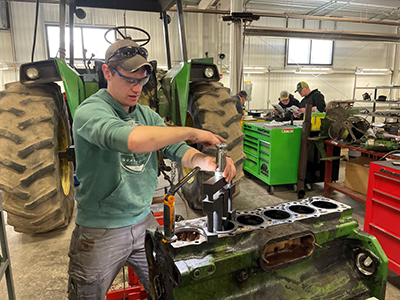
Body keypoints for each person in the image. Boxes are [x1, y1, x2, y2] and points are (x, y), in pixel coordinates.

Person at [67, 39, 236, 299]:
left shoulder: (147, 115)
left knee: (166, 288)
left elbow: (177, 149)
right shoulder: (90, 111)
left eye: (142, 81)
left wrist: (205, 161)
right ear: (107, 72)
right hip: (101, 231)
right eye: (129, 80)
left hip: (144, 222)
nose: (137, 89)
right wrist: (193, 131)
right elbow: (132, 140)